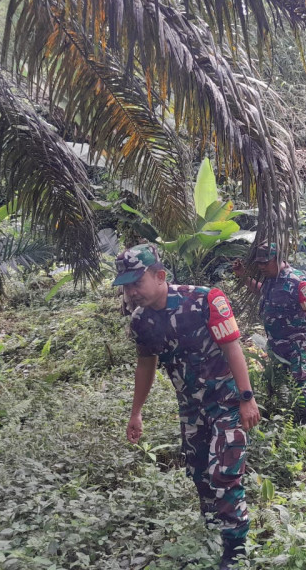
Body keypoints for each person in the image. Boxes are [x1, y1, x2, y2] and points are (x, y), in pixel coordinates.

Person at [114, 244, 260, 570]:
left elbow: (233, 348)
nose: (131, 291)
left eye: (136, 282)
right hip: (191, 410)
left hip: (227, 404)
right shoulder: (142, 321)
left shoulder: (206, 300)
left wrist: (247, 398)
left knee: (224, 474)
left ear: (160, 275)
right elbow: (145, 366)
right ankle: (211, 532)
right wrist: (136, 412)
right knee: (198, 474)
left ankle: (233, 553)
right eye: (125, 285)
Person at [240, 243, 306, 424]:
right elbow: (260, 290)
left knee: (300, 378)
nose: (261, 267)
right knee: (282, 378)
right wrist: (244, 277)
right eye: (259, 263)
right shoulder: (271, 279)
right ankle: (286, 414)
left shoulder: (298, 281)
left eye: (265, 263)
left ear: (278, 259)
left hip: (297, 341)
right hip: (277, 342)